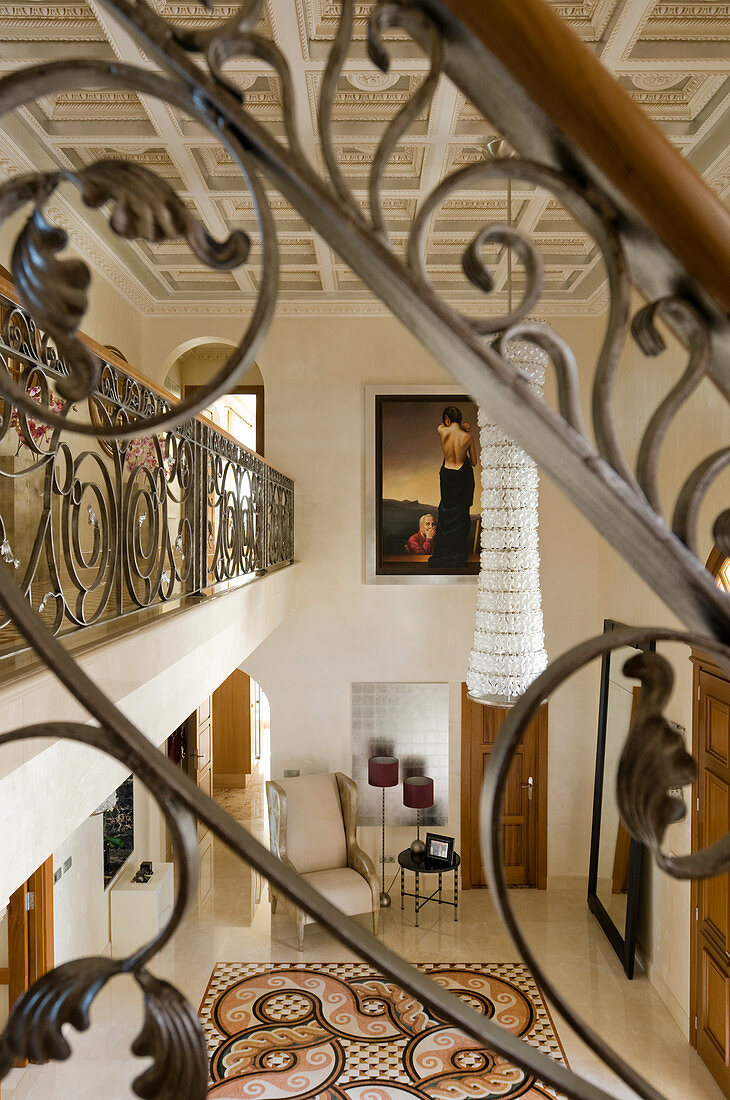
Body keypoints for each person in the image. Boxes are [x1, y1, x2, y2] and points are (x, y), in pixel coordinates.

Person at [428, 406, 477, 569]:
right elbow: (475, 462)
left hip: (448, 476)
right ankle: (458, 554)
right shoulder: (467, 437)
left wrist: (457, 425)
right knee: (461, 514)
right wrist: (464, 429)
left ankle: (444, 552)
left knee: (446, 513)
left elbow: (442, 425)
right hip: (462, 476)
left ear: (447, 418)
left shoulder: (443, 431)